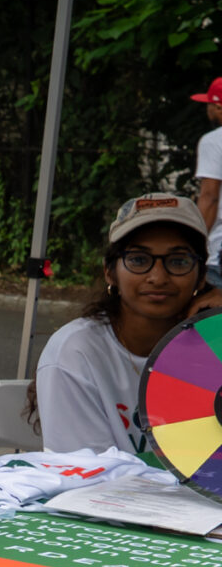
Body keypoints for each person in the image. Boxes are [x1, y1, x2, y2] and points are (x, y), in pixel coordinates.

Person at [34, 194, 215, 453]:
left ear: (200, 277)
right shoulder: (77, 352)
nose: (158, 277)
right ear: (110, 272)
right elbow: (87, 474)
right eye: (139, 260)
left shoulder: (211, 342)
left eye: (178, 261)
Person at [194, 78, 222, 282]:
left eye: (209, 105)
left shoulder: (213, 141)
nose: (207, 110)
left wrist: (195, 243)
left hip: (218, 252)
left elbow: (210, 196)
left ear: (219, 106)